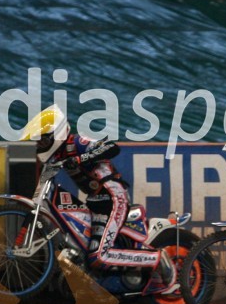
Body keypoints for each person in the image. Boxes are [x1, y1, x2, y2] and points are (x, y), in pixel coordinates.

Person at [19, 105, 177, 293]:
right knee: (88, 250)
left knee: (98, 256)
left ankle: (157, 258)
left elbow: (111, 147)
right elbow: (43, 184)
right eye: (38, 142)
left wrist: (80, 159)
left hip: (114, 198)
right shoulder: (55, 157)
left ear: (56, 134)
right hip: (96, 204)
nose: (39, 145)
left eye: (42, 140)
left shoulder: (77, 142)